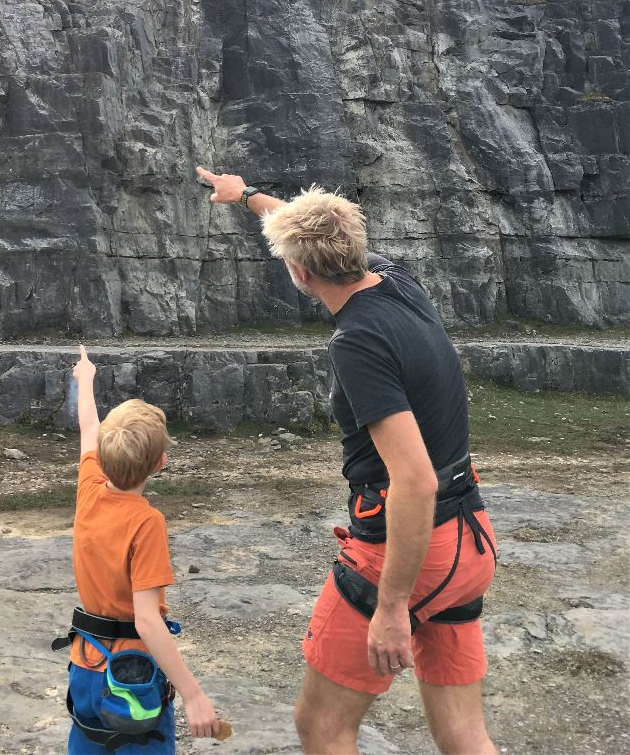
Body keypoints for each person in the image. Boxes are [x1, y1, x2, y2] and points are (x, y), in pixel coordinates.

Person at [196, 167, 499, 755]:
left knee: (323, 726)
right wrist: (249, 196)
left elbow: (412, 478)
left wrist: (390, 608)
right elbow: (316, 232)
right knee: (464, 732)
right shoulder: (398, 281)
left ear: (299, 273)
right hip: (470, 539)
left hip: (407, 551)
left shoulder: (357, 340)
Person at [57, 344, 221, 752]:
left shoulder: (90, 490)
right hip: (131, 677)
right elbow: (147, 621)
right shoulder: (147, 522)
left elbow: (88, 430)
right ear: (159, 463)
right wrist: (193, 694)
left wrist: (86, 379)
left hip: (85, 665)